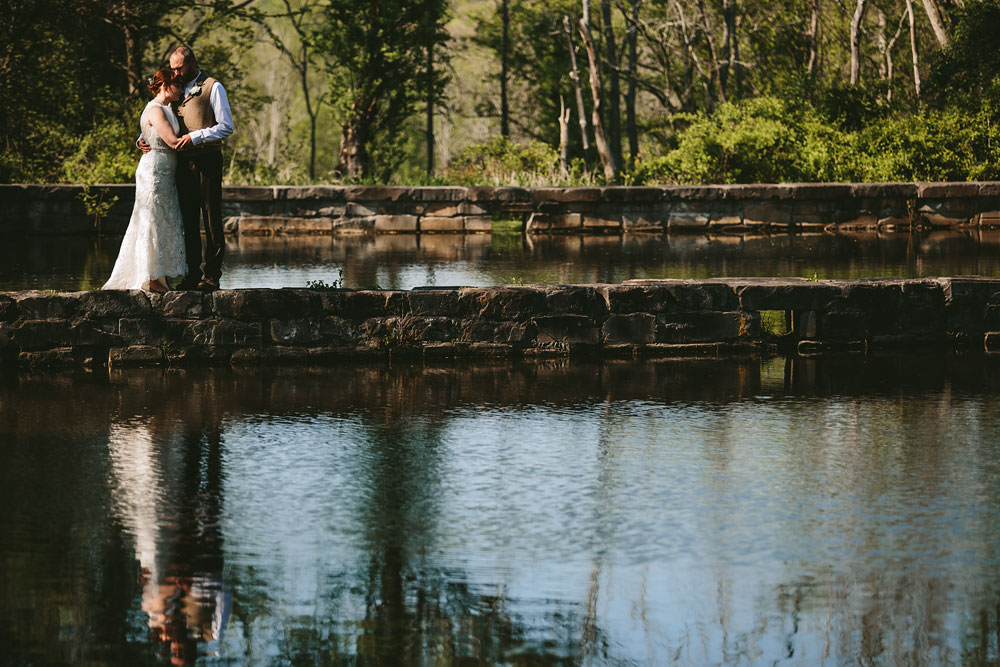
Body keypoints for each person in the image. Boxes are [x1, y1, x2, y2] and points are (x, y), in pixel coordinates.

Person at [142, 45, 234, 292]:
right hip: (181, 164)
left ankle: (212, 275)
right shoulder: (174, 89)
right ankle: (192, 274)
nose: (176, 73)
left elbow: (227, 126)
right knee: (189, 221)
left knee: (211, 217)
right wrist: (143, 139)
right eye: (173, 68)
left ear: (192, 63)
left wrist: (197, 137)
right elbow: (157, 117)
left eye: (179, 67)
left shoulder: (213, 87)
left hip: (207, 159)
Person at [103, 69, 187, 292]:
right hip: (154, 172)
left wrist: (140, 140)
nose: (181, 90)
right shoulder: (156, 110)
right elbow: (171, 140)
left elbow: (148, 135)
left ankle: (159, 275)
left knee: (162, 220)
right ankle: (150, 278)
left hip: (166, 172)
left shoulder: (168, 109)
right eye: (177, 85)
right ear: (165, 86)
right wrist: (201, 138)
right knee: (151, 219)